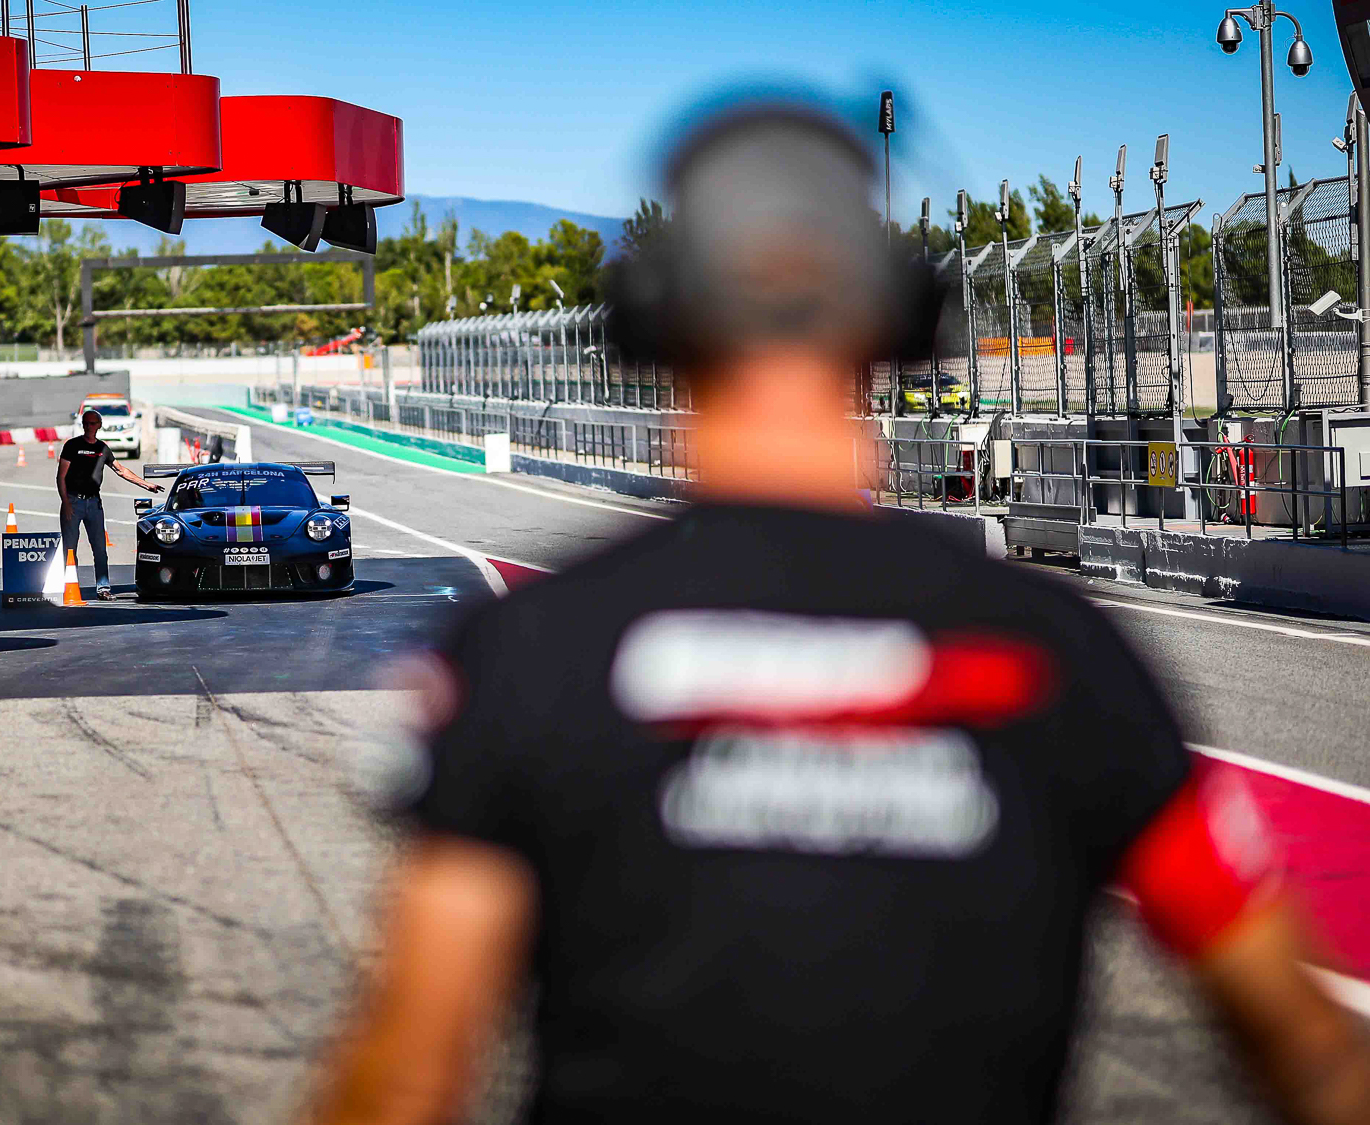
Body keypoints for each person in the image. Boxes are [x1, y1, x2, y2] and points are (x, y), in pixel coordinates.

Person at [303, 103, 1370, 1125]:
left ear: (649, 322)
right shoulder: (1059, 651)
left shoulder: (530, 652)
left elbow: (405, 1084)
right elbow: (1310, 1051)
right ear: (898, 316)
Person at [56, 409, 161, 600]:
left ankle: (103, 588)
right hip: (73, 501)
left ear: (99, 425)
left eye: (92, 423)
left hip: (94, 504)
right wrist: (66, 502)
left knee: (100, 549)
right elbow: (61, 476)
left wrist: (146, 485)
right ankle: (70, 587)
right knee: (70, 549)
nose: (89, 427)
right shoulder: (72, 445)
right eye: (86, 423)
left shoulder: (102, 448)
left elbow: (121, 470)